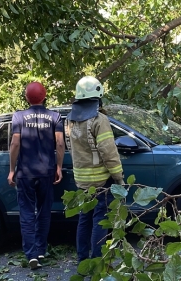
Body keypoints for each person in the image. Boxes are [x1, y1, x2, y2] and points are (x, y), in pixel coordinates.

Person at [7, 82, 65, 270]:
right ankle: (40, 249)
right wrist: (59, 166)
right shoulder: (55, 116)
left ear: (27, 97)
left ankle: (31, 254)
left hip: (26, 173)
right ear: (44, 96)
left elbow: (15, 144)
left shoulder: (19, 116)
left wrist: (12, 169)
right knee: (43, 212)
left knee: (26, 213)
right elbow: (60, 144)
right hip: (46, 172)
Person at [66, 76, 124, 263]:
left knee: (84, 219)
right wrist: (118, 177)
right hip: (101, 181)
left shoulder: (70, 120)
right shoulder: (99, 120)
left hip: (81, 182)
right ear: (98, 96)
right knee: (100, 220)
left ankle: (83, 260)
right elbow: (109, 152)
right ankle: (97, 261)